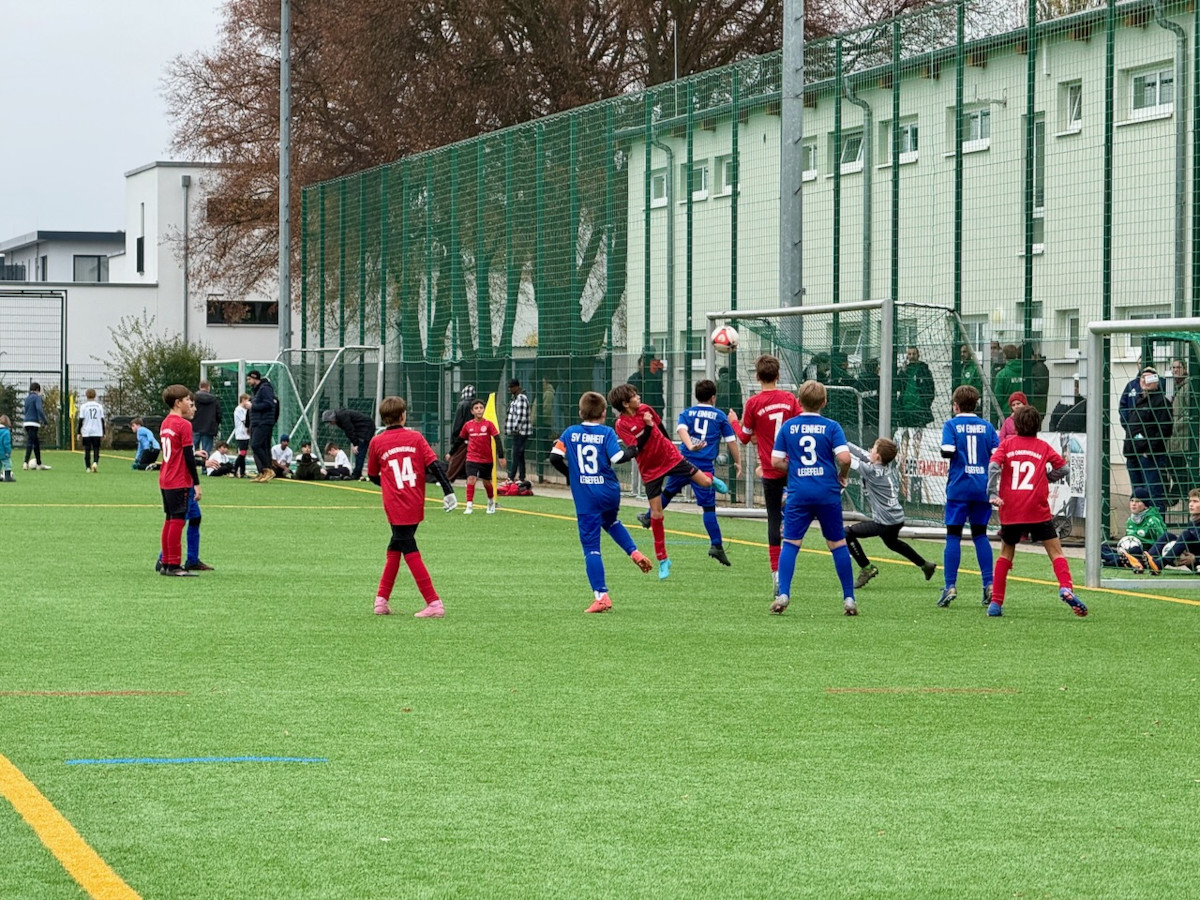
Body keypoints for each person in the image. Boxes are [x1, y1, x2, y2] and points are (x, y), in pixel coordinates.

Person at [550, 391, 655, 612]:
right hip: (609, 491)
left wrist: (571, 476)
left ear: (580, 412)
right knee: (611, 522)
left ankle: (601, 595)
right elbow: (618, 458)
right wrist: (634, 449)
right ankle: (634, 552)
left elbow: (554, 458)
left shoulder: (570, 433)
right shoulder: (607, 433)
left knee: (591, 548)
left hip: (587, 497)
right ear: (604, 413)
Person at [610, 383, 727, 579]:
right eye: (634, 396)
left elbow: (661, 427)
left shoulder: (646, 409)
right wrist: (647, 429)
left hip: (670, 457)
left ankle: (711, 478)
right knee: (656, 515)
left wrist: (666, 442)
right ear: (625, 403)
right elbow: (636, 447)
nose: (639, 397)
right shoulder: (621, 424)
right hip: (650, 469)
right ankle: (663, 560)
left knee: (705, 483)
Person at [986, 404, 1087, 617]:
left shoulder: (1007, 444)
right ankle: (1066, 586)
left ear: (1016, 425)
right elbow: (1064, 469)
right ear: (1038, 426)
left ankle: (995, 603)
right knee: (1055, 551)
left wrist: (992, 492)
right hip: (1037, 509)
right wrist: (1046, 478)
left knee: (1006, 554)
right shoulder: (1042, 446)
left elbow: (994, 466)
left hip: (1011, 508)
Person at [769, 380, 858, 616]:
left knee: (791, 543)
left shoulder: (788, 427)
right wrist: (843, 476)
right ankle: (849, 598)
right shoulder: (831, 427)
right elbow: (846, 458)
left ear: (799, 402)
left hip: (799, 493)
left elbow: (775, 461)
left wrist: (795, 469)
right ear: (824, 402)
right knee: (837, 543)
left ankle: (784, 594)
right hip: (827, 493)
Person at [366, 395, 458, 617]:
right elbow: (434, 466)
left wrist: (388, 485)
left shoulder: (376, 442)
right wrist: (448, 490)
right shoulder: (416, 437)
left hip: (394, 504)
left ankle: (434, 603)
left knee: (406, 546)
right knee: (396, 546)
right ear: (403, 415)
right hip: (415, 501)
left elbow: (372, 475)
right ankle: (381, 600)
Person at [640, 379, 741, 566]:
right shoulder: (719, 416)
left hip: (682, 462)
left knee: (669, 492)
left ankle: (648, 516)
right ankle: (716, 545)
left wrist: (689, 446)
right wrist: (738, 462)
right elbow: (731, 441)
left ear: (696, 396)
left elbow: (681, 430)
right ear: (713, 397)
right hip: (704, 468)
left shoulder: (687, 413)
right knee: (708, 508)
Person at [730, 354, 801, 594]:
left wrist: (734, 422)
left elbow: (743, 437)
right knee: (795, 514)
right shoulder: (789, 399)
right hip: (793, 466)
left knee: (772, 518)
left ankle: (776, 572)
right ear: (778, 375)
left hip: (771, 467)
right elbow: (800, 426)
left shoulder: (753, 403)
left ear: (757, 377)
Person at [845, 437, 938, 589]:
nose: (870, 450)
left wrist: (833, 445)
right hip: (896, 518)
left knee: (846, 533)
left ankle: (867, 568)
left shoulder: (872, 471)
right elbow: (860, 453)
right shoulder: (880, 467)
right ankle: (925, 565)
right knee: (892, 543)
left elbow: (848, 458)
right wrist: (843, 441)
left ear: (878, 456)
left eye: (873, 449)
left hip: (885, 522)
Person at [937, 385, 1000, 608]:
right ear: (977, 404)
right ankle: (989, 585)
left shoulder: (951, 424)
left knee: (953, 535)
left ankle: (950, 586)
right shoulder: (987, 426)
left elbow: (947, 451)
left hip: (959, 487)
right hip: (982, 488)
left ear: (955, 405)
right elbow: (997, 455)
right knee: (980, 535)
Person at [156, 385, 203, 577]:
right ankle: (174, 564)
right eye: (186, 400)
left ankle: (167, 562)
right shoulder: (184, 425)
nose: (189, 404)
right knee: (177, 521)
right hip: (179, 479)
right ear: (178, 403)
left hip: (165, 478)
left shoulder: (166, 422)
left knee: (169, 520)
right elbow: (187, 457)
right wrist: (197, 483)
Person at [1123, 367, 1173, 511]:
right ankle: (1142, 528)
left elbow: (1165, 431)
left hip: (1149, 458)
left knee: (1153, 495)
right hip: (1133, 456)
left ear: (1156, 382)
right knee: (1138, 497)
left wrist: (1149, 451)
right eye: (1142, 377)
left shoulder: (1161, 402)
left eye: (1149, 378)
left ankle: (1157, 530)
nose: (1145, 380)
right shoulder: (1138, 400)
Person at [454, 397, 506, 515]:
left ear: (484, 410)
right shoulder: (468, 425)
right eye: (476, 408)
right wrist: (451, 453)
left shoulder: (488, 424)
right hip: (472, 458)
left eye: (481, 408)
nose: (479, 410)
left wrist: (501, 456)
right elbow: (460, 440)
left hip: (486, 459)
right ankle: (469, 505)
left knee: (487, 482)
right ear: (472, 411)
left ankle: (490, 501)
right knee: (471, 479)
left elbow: (497, 439)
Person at [1100, 488, 1167, 574]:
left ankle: (1109, 563)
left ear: (1145, 505)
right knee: (1101, 548)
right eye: (1132, 500)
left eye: (1138, 501)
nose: (1134, 504)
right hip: (1129, 552)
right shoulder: (1130, 521)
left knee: (1134, 550)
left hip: (1145, 553)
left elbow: (1161, 541)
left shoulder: (1153, 520)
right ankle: (1126, 560)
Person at [1145, 489, 1200, 571]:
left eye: (1195, 501)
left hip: (1197, 561)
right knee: (1167, 536)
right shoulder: (1193, 522)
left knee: (1186, 534)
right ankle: (1145, 562)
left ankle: (1160, 564)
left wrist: (1196, 559)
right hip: (1190, 557)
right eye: (1190, 501)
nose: (1191, 504)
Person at [321, 407, 376, 481]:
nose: (330, 424)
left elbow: (349, 430)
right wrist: (355, 443)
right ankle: (357, 473)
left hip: (366, 428)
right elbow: (349, 431)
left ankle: (357, 474)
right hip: (362, 429)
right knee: (359, 451)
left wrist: (356, 443)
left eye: (330, 421)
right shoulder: (340, 418)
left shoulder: (342, 417)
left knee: (360, 451)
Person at [1167, 358, 1193, 498]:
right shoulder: (1176, 387)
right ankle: (1180, 493)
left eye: (1178, 367)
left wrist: (1174, 424)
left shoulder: (1188, 387)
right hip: (1174, 439)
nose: (1175, 370)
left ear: (1185, 368)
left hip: (1182, 438)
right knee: (1175, 469)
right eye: (1173, 367)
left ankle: (1176, 495)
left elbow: (1192, 412)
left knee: (1179, 470)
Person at [246, 370, 277, 481]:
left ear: (255, 378)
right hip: (257, 422)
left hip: (263, 422)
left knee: (256, 445)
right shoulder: (257, 390)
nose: (248, 381)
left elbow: (269, 404)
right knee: (258, 447)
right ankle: (262, 472)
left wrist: (253, 406)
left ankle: (268, 469)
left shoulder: (265, 388)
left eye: (249, 379)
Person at [446, 385, 478, 481]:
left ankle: (449, 477)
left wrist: (455, 436)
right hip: (473, 435)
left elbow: (458, 422)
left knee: (457, 458)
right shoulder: (475, 405)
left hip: (463, 436)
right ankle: (467, 474)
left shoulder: (462, 404)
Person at [504, 378, 532, 483]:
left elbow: (521, 416)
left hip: (521, 432)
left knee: (515, 454)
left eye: (511, 387)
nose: (510, 389)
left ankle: (511, 477)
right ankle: (521, 477)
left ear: (516, 387)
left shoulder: (521, 398)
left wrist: (516, 429)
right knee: (520, 455)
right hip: (519, 431)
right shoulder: (515, 398)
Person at [628, 348, 665, 416]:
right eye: (644, 362)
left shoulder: (655, 379)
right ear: (639, 364)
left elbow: (659, 398)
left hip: (653, 413)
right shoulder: (633, 379)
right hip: (637, 413)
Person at [991, 344, 1024, 421]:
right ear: (1016, 355)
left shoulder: (1002, 374)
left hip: (1007, 412)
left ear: (1004, 356)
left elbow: (998, 397)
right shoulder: (1025, 372)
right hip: (1024, 411)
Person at [22, 382, 49, 470]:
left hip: (26, 422)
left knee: (35, 442)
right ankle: (26, 462)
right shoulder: (37, 397)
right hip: (34, 422)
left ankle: (38, 463)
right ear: (38, 390)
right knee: (31, 442)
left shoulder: (27, 398)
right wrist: (44, 420)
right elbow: (39, 409)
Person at [77, 388, 106, 473]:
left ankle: (88, 467)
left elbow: (81, 420)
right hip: (97, 431)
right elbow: (102, 420)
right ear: (95, 396)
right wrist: (104, 432)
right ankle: (95, 463)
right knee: (96, 448)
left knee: (87, 449)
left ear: (86, 396)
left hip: (87, 431)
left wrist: (78, 432)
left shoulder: (83, 406)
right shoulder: (99, 406)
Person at [191, 380, 223, 455]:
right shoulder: (214, 399)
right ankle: (205, 466)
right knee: (206, 452)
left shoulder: (193, 398)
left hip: (195, 426)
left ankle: (189, 465)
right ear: (208, 387)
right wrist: (216, 424)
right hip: (209, 427)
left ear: (199, 387)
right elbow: (219, 414)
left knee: (190, 449)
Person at [232, 393, 251, 478]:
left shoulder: (244, 410)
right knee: (242, 453)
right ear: (243, 400)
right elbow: (245, 421)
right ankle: (234, 469)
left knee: (244, 453)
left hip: (246, 434)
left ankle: (242, 472)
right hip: (241, 434)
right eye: (247, 400)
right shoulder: (239, 410)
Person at [0, 415, 13, 482]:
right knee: (7, 464)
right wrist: (8, 452)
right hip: (3, 452)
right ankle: (8, 477)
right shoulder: (6, 432)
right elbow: (6, 443)